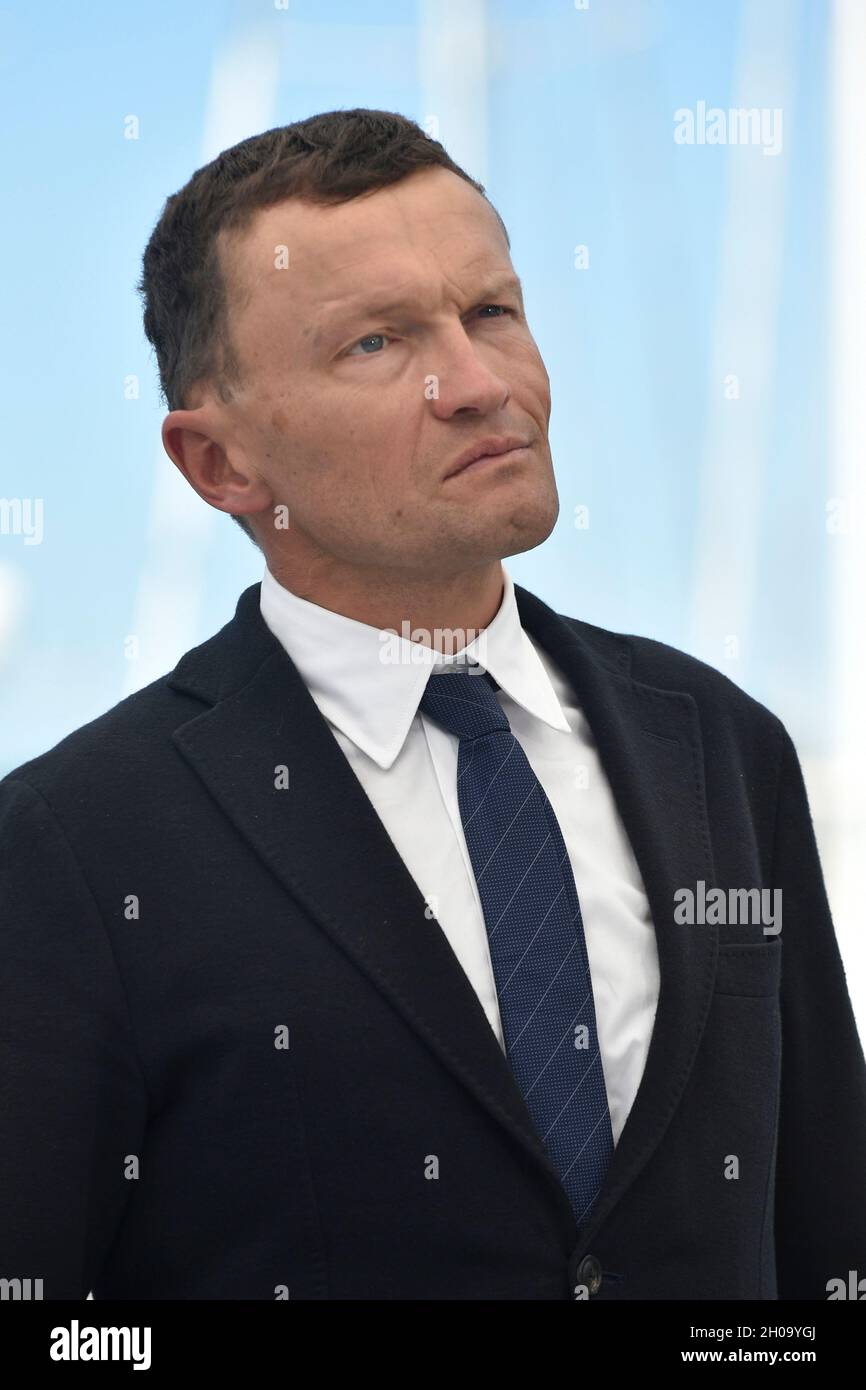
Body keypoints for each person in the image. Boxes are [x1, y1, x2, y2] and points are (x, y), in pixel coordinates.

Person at [1, 108, 864, 1301]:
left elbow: (826, 1239)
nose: (476, 382)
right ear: (219, 464)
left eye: (492, 312)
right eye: (375, 343)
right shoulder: (74, 845)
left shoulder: (720, 745)